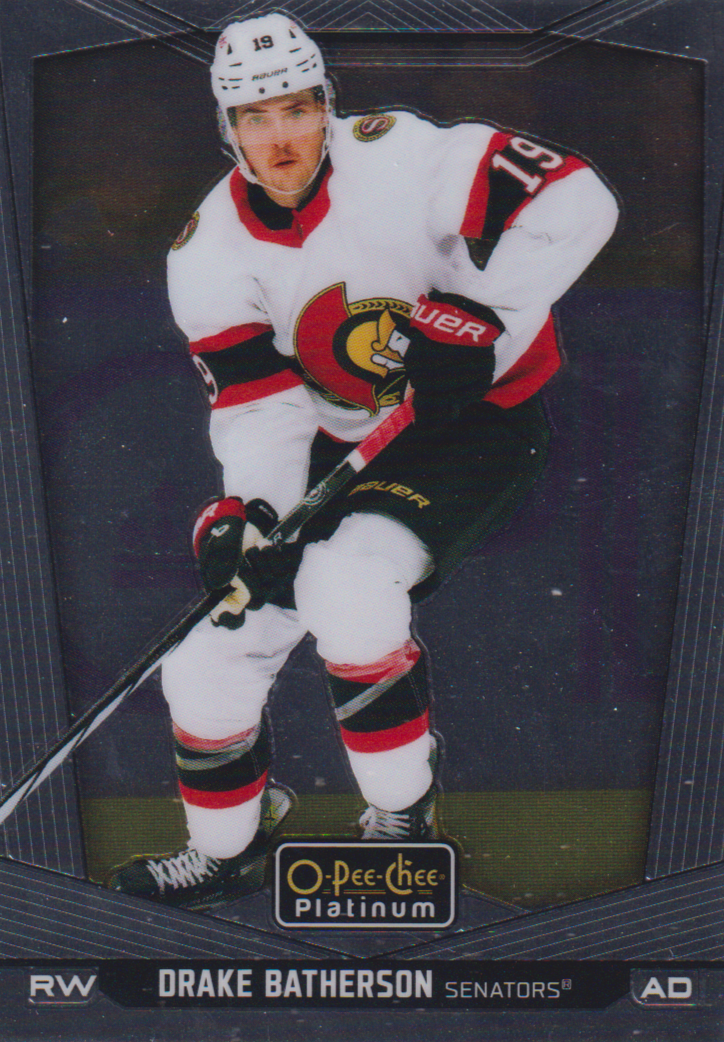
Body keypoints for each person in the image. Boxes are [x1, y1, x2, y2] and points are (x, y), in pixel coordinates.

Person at [107, 13, 618, 909]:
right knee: (206, 657)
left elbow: (581, 201)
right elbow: (259, 405)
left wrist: (487, 315)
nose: (281, 138)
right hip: (342, 444)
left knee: (346, 587)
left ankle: (401, 820)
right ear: (228, 128)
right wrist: (254, 513)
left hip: (475, 424)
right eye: (256, 118)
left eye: (298, 109)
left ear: (327, 105)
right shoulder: (207, 252)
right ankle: (226, 848)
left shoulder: (403, 156)